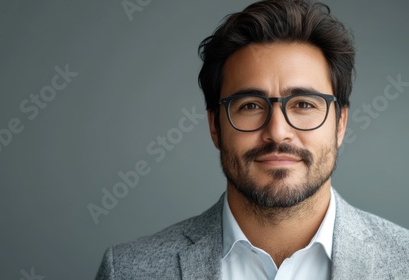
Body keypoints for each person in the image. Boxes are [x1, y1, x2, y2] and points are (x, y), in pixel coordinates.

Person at [96, 0, 409, 279]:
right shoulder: (126, 270)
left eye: (303, 104)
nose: (277, 131)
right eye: (249, 106)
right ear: (215, 126)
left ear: (340, 123)